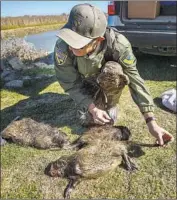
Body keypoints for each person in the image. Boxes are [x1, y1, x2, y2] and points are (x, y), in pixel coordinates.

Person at [54, 3, 174, 146]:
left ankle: (109, 104)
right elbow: (70, 83)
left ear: (98, 40)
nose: (71, 46)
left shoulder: (118, 44)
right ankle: (92, 105)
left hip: (107, 82)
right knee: (86, 120)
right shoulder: (62, 48)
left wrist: (151, 121)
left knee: (114, 70)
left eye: (79, 44)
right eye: (70, 38)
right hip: (84, 84)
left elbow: (135, 80)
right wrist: (92, 107)